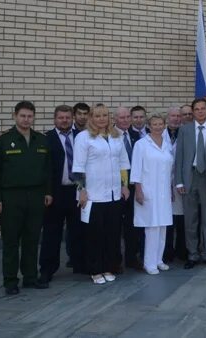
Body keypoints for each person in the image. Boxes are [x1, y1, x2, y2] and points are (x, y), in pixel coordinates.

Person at [0, 101, 53, 295]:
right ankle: (10, 281)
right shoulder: (2, 140)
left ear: (34, 117)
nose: (26, 119)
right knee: (11, 241)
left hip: (36, 196)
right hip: (10, 198)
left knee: (32, 239)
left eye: (30, 116)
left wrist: (48, 192)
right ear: (15, 116)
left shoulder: (41, 139)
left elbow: (48, 170)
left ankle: (30, 277)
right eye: (22, 116)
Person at [72, 104, 130, 285]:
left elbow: (123, 163)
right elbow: (78, 166)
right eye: (97, 116)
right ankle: (95, 269)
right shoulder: (84, 137)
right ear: (91, 118)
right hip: (93, 195)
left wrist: (124, 185)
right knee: (94, 235)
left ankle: (109, 266)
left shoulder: (116, 136)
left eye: (105, 115)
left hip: (113, 194)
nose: (102, 119)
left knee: (112, 234)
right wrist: (81, 190)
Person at [174, 98, 206, 269]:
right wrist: (179, 181)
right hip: (190, 177)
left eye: (204, 108)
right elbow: (179, 156)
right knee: (191, 219)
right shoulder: (184, 130)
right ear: (193, 111)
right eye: (197, 109)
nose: (201, 111)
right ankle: (193, 254)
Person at [39, 105, 86, 284]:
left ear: (72, 118)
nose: (64, 120)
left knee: (78, 230)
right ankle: (47, 269)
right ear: (55, 119)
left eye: (67, 117)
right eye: (61, 118)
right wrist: (47, 192)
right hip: (55, 193)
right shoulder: (46, 139)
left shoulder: (81, 137)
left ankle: (79, 263)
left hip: (77, 190)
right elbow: (44, 168)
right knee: (52, 233)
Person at [130, 114, 173, 275]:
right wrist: (139, 191)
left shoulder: (167, 144)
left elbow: (169, 170)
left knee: (162, 227)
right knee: (151, 228)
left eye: (161, 124)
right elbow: (136, 169)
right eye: (154, 124)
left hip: (164, 193)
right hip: (148, 191)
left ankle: (159, 260)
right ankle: (149, 263)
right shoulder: (142, 144)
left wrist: (170, 189)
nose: (158, 127)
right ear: (149, 126)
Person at [115, 106, 143, 272]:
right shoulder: (109, 136)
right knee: (115, 226)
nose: (125, 120)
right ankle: (116, 260)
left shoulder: (136, 136)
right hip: (116, 187)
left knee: (133, 225)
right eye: (122, 117)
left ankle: (132, 258)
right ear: (115, 119)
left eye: (127, 117)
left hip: (134, 186)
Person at [163, 106, 186, 263]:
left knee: (182, 218)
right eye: (173, 116)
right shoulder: (159, 134)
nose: (176, 118)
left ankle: (182, 250)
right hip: (163, 182)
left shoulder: (186, 133)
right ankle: (167, 251)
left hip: (181, 181)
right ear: (167, 118)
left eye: (178, 116)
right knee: (166, 218)